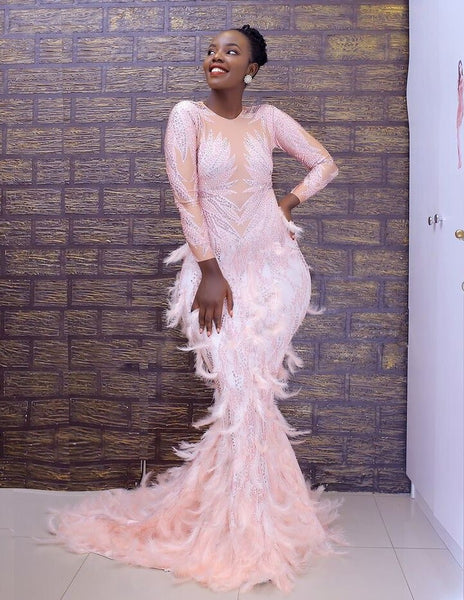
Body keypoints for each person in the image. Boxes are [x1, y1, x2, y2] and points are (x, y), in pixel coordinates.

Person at [45, 25, 344, 593]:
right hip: (215, 275)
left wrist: (287, 202)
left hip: (276, 272)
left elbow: (324, 164)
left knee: (257, 393)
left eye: (231, 52)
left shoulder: (268, 120)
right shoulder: (187, 117)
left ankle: (260, 524)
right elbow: (187, 197)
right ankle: (237, 527)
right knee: (240, 391)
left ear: (252, 68)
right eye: (211, 51)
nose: (216, 57)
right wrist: (208, 271)